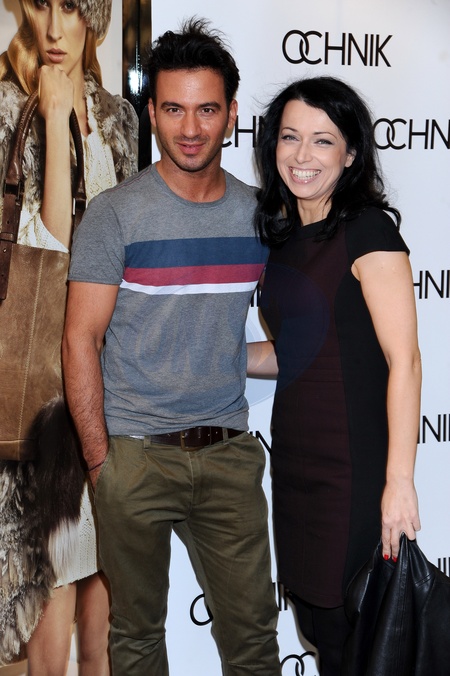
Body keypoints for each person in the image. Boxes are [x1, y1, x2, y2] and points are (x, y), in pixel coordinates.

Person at [62, 17, 281, 676]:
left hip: (229, 456)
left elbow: (289, 332)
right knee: (136, 638)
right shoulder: (114, 214)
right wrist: (101, 464)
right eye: (175, 109)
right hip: (134, 457)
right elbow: (80, 339)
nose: (191, 128)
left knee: (254, 642)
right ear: (152, 113)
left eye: (207, 109)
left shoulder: (260, 216)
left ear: (232, 114)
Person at [249, 76, 421, 675]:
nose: (303, 155)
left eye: (323, 140)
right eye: (290, 136)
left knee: (357, 638)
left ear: (350, 154)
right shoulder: (282, 240)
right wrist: (219, 354)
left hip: (355, 473)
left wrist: (399, 482)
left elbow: (405, 360)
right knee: (321, 628)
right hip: (296, 466)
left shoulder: (368, 231)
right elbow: (295, 353)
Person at [0, 0, 138, 673]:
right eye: (40, 5)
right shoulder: (7, 110)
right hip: (39, 402)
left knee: (107, 623)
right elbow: (46, 253)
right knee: (47, 615)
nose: (54, 29)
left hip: (110, 389)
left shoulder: (119, 119)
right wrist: (56, 124)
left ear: (95, 16)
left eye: (70, 8)